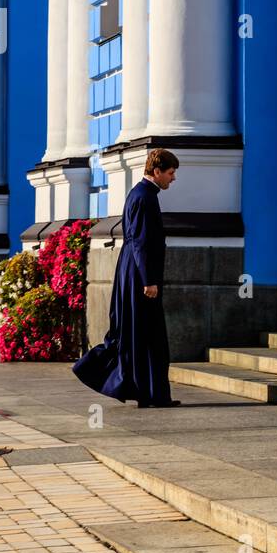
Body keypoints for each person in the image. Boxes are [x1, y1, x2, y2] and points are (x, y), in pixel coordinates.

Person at [72, 148, 181, 408]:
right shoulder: (145, 197)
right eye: (170, 173)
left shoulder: (139, 194)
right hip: (140, 278)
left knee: (141, 335)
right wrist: (149, 280)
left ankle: (149, 394)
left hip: (133, 274)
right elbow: (141, 241)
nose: (173, 178)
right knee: (148, 336)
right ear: (156, 171)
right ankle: (147, 392)